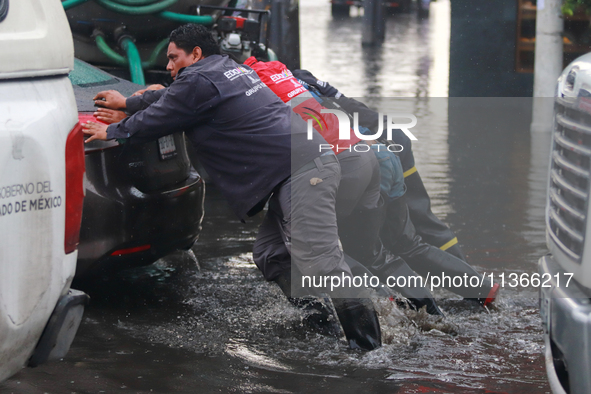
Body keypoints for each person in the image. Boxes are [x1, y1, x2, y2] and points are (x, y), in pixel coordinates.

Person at [82, 24, 381, 350]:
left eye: (173, 58)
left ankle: (368, 352)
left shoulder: (198, 79)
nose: (168, 66)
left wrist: (113, 131)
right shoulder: (227, 68)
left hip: (302, 171)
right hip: (300, 166)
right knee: (271, 255)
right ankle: (320, 325)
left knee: (322, 264)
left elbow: (163, 113)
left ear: (195, 54)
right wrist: (128, 103)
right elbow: (170, 98)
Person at [244, 57, 445, 316]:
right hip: (378, 154)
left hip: (346, 163)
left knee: (329, 253)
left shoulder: (255, 90)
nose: (170, 66)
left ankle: (380, 310)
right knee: (384, 250)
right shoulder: (291, 79)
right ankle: (437, 311)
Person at [292, 70, 500, 306]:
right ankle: (477, 289)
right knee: (409, 239)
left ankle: (390, 306)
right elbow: (349, 104)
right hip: (387, 144)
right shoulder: (301, 81)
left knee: (366, 251)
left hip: (367, 156)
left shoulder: (276, 96)